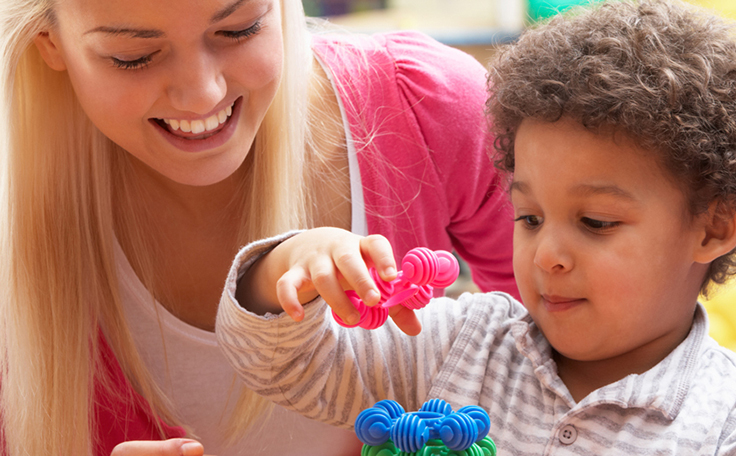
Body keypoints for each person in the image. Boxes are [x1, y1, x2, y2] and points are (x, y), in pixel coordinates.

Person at [216, 0, 736, 454]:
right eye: (528, 217)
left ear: (711, 228)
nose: (546, 253)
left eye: (596, 222)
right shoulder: (460, 342)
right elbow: (282, 367)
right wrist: (290, 263)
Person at [0, 0, 519, 455]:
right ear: (52, 44)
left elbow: (586, 378)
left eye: (240, 28)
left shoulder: (430, 108)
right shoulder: (15, 221)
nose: (201, 94)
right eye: (133, 56)